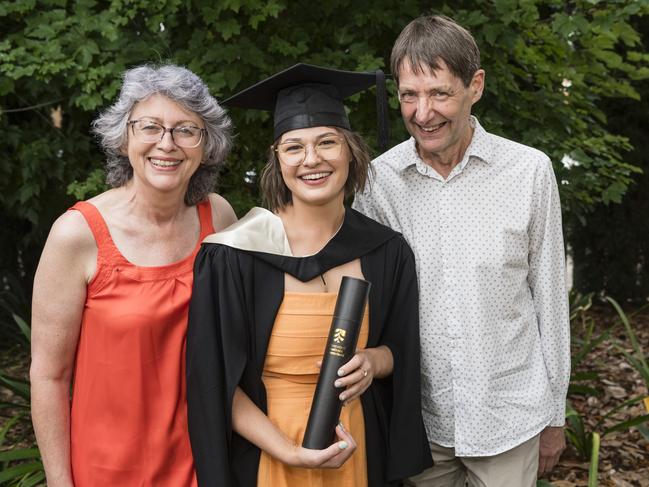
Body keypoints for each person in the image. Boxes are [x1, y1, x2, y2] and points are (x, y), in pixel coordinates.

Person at [186, 63, 432, 487]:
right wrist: (290, 452)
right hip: (270, 455)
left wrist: (374, 361)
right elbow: (213, 382)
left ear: (351, 151)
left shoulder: (386, 251)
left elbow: (401, 351)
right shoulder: (234, 255)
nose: (311, 159)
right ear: (277, 159)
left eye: (327, 142)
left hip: (355, 451)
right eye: (294, 147)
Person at [353, 15, 571, 487]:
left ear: (476, 86)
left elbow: (550, 301)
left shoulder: (530, 173)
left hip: (508, 418)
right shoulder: (377, 182)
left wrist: (555, 415)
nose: (422, 112)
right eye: (409, 95)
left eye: (439, 93)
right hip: (420, 421)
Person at [30, 64, 237, 487]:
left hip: (205, 464)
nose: (167, 144)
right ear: (124, 138)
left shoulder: (218, 216)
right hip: (108, 469)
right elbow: (49, 376)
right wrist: (58, 481)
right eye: (151, 127)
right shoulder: (77, 234)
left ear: (205, 145)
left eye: (185, 130)